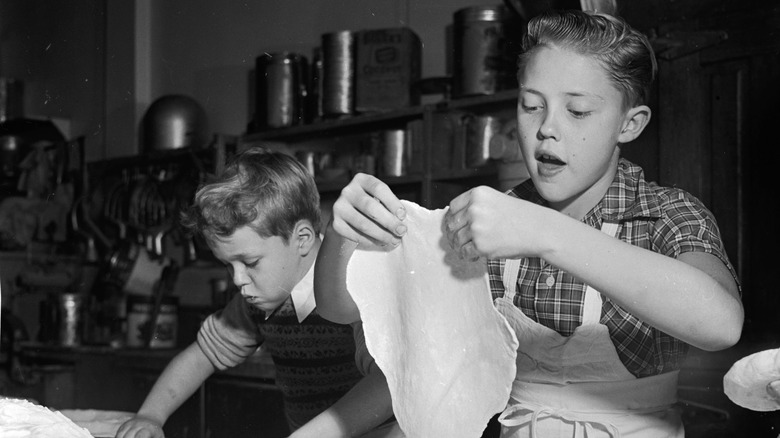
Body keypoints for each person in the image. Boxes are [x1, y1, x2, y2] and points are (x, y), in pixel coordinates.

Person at [315, 9, 743, 437]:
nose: (546, 129)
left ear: (629, 125)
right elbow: (341, 308)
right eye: (531, 105)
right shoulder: (489, 219)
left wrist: (543, 231)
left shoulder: (665, 215)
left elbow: (721, 324)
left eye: (577, 111)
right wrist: (342, 233)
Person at [116, 148, 399, 438]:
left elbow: (386, 384)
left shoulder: (352, 285)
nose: (238, 280)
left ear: (301, 239)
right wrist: (150, 415)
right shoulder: (257, 300)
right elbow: (202, 355)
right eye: (228, 265)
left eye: (250, 263)